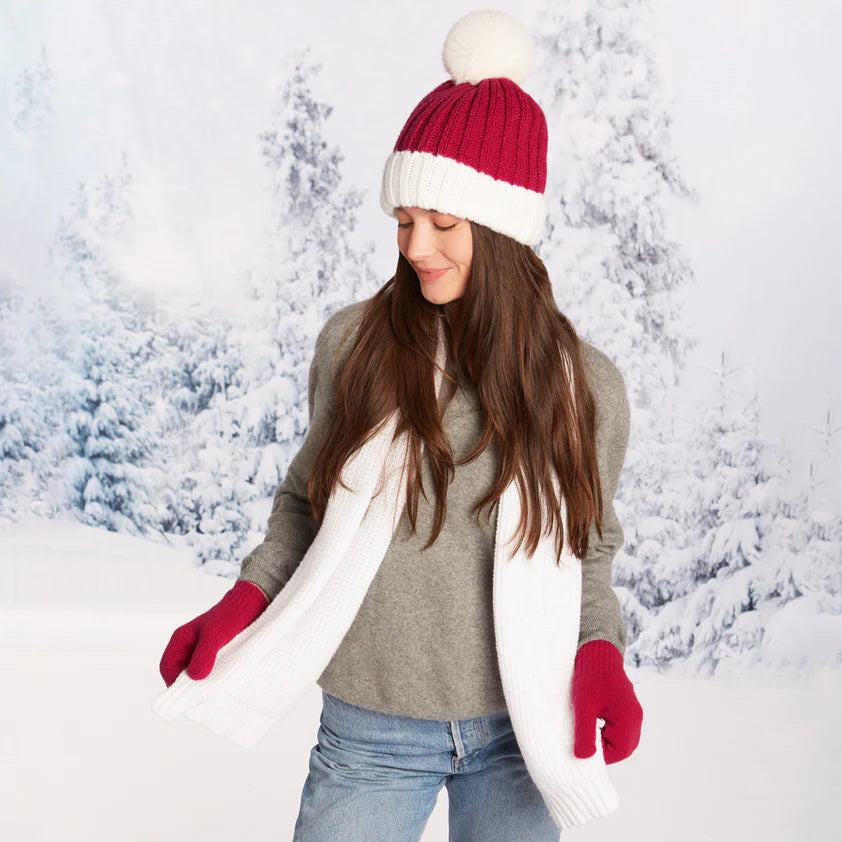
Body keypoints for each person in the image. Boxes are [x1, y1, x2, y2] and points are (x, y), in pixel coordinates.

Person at [158, 9, 643, 841]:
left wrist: (600, 652)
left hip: (520, 732)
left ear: (501, 232)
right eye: (404, 220)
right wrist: (244, 599)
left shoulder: (584, 388)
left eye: (444, 225)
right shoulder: (356, 346)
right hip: (371, 727)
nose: (417, 245)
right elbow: (304, 506)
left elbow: (586, 548)